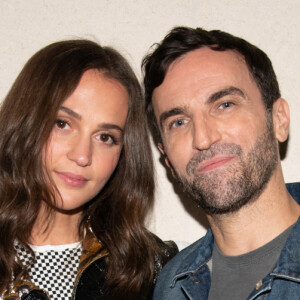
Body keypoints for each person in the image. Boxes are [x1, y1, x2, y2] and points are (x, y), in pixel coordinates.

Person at [0, 39, 177, 300]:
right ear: (26, 124)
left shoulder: (156, 271)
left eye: (105, 137)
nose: (82, 155)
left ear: (123, 154)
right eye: (62, 124)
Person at [142, 26, 300, 299]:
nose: (203, 138)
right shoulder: (170, 285)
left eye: (225, 105)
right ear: (166, 156)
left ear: (279, 120)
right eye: (178, 122)